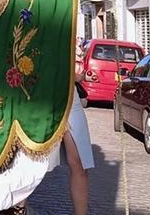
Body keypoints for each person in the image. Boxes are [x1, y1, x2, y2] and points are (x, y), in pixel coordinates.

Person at [62, 87, 94, 215]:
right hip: (37, 90)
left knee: (80, 162)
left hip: (68, 93)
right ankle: (19, 209)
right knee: (27, 159)